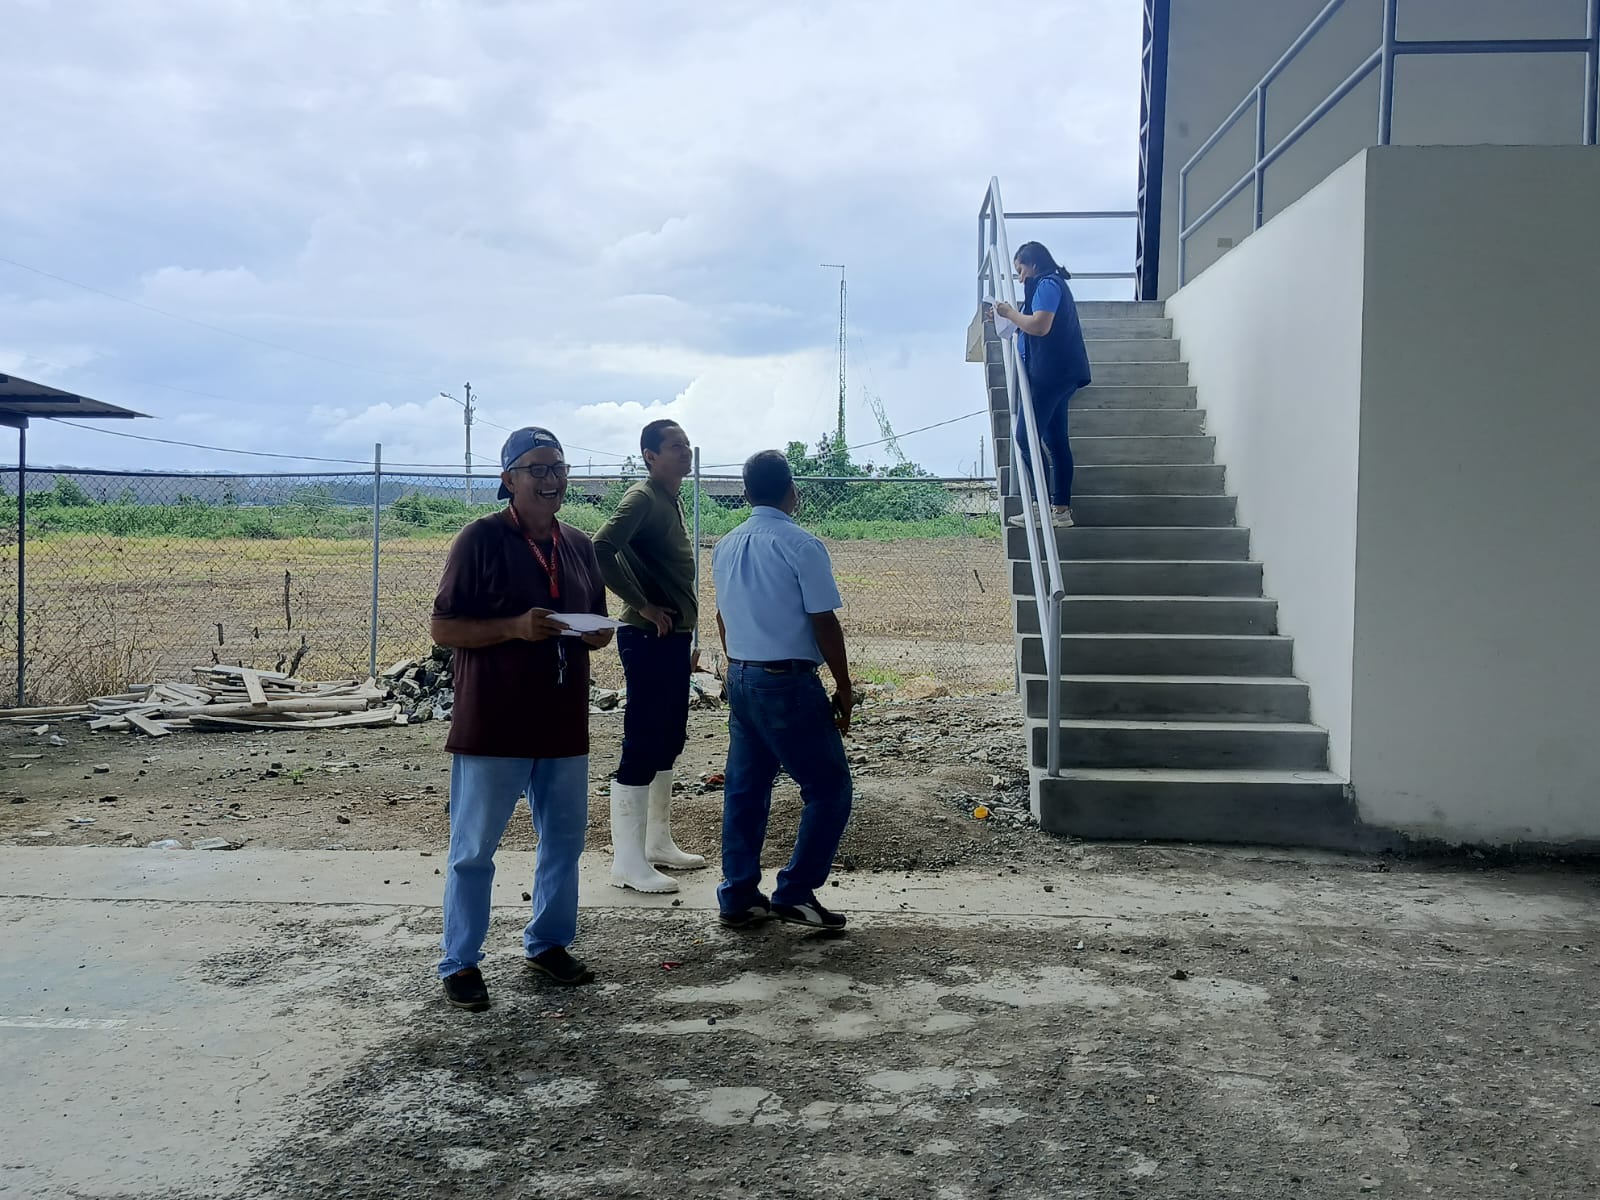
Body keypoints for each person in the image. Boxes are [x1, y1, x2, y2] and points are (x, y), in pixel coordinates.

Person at [429, 426, 614, 1012]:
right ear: (508, 479)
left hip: (562, 720)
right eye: (537, 469)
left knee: (564, 842)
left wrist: (598, 634)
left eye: (558, 468)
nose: (551, 479)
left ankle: (548, 943)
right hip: (496, 721)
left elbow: (595, 618)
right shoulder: (480, 539)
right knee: (474, 849)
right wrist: (514, 627)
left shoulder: (578, 545)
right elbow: (443, 628)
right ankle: (461, 961)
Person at [712, 450, 854, 931]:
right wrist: (844, 685)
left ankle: (738, 895)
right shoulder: (801, 545)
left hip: (742, 676)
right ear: (793, 491)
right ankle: (794, 892)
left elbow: (722, 617)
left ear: (745, 494)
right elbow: (823, 621)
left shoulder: (725, 545)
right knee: (829, 788)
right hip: (787, 682)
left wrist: (738, 665)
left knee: (745, 790)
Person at [593, 419, 704, 893]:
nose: (685, 452)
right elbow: (600, 547)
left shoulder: (669, 497)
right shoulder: (642, 497)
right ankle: (627, 862)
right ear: (650, 456)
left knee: (669, 738)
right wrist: (641, 604)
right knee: (642, 741)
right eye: (675, 446)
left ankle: (657, 844)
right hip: (646, 637)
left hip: (672, 637)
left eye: (686, 444)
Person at [992, 241, 1092, 530]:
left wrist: (1010, 313)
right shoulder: (1046, 286)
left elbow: (1039, 326)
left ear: (1033, 264)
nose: (1019, 277)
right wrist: (1007, 318)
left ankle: (1039, 506)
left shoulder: (1047, 284)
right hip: (1059, 373)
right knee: (1056, 442)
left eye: (1020, 270)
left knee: (1025, 438)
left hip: (1050, 375)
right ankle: (1060, 510)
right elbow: (1030, 325)